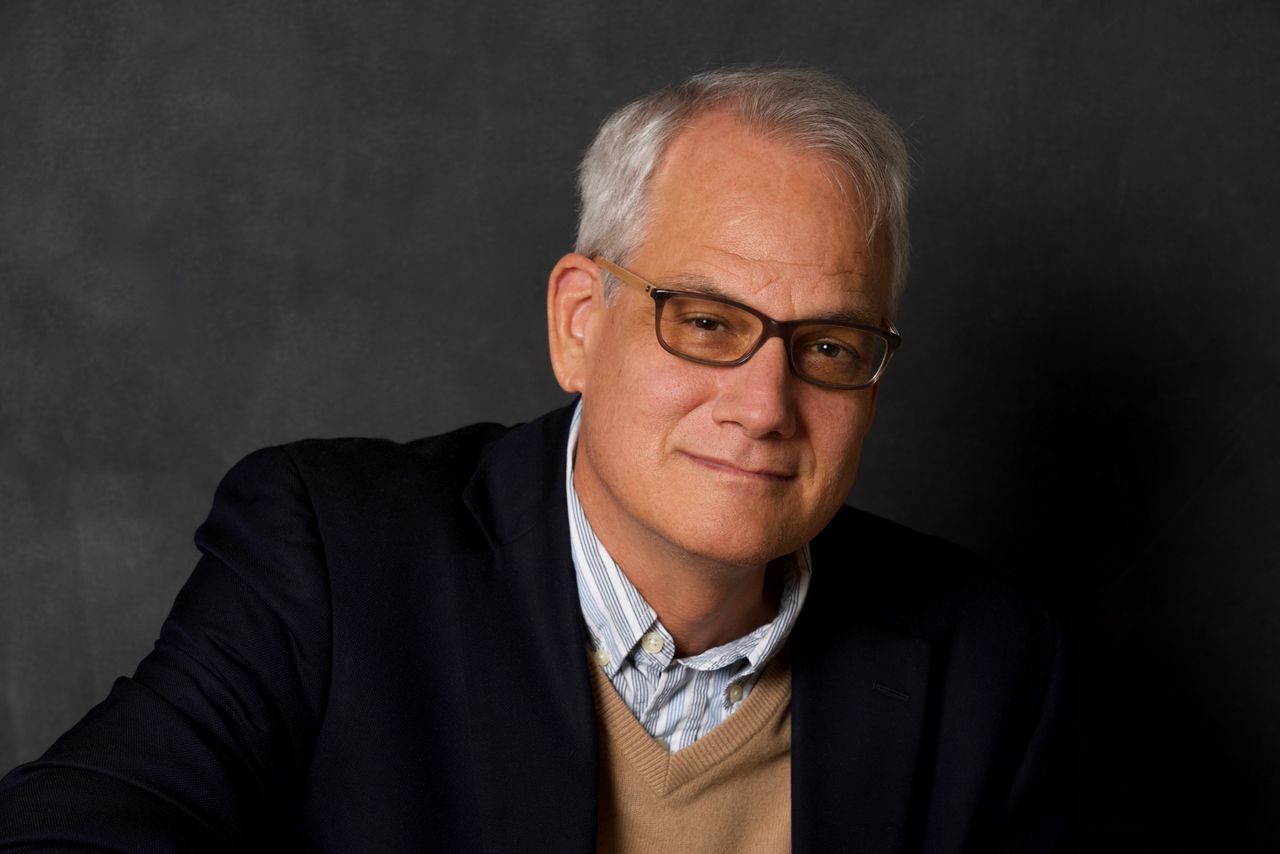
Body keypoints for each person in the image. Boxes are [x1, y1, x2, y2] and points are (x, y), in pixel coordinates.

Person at [0, 66, 1066, 852]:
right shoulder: (330, 557)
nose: (762, 406)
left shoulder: (986, 661)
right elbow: (65, 831)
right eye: (705, 322)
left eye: (827, 346)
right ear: (578, 324)